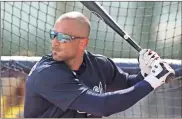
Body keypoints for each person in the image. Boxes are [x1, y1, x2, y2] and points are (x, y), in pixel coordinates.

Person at [24, 11, 175, 118]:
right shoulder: (47, 74)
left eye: (63, 37)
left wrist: (145, 74)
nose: (55, 43)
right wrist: (152, 81)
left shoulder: (100, 65)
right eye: (53, 35)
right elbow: (102, 106)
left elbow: (128, 85)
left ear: (83, 42)